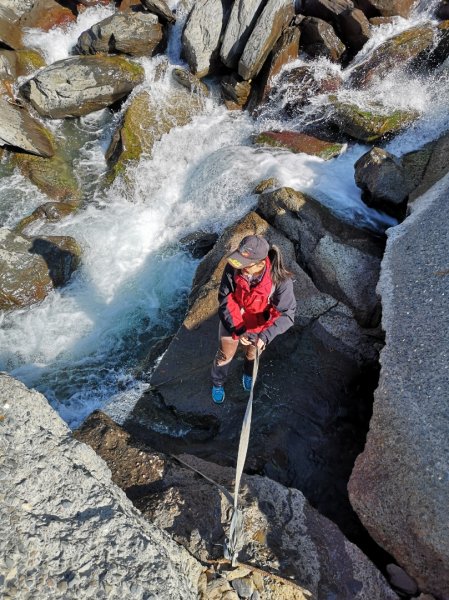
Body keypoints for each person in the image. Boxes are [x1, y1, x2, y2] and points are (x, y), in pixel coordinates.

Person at [211, 234, 296, 404]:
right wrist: (239, 329)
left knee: (252, 353)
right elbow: (226, 300)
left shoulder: (281, 281)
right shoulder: (233, 268)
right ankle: (217, 382)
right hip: (234, 319)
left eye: (244, 265)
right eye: (238, 260)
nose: (238, 266)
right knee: (224, 354)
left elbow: (287, 313)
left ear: (261, 264)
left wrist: (265, 336)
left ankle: (248, 374)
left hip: (260, 325)